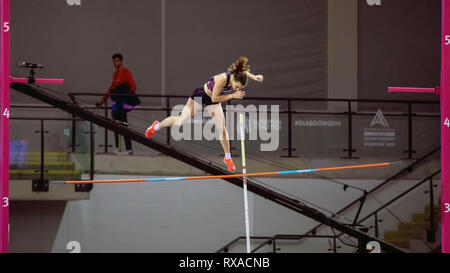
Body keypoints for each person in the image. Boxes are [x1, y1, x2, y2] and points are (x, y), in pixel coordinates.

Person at [145, 56, 264, 172]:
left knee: (222, 129)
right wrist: (232, 95)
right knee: (180, 121)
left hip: (214, 100)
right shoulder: (222, 79)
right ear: (234, 79)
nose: (237, 89)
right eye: (237, 87)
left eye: (240, 88)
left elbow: (243, 71)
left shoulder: (238, 75)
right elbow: (214, 98)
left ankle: (227, 157)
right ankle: (156, 126)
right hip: (201, 96)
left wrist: (254, 77)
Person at [96, 53, 138, 155]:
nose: (116, 63)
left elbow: (133, 86)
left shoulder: (126, 72)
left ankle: (128, 148)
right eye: (114, 61)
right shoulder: (115, 75)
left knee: (124, 125)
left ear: (121, 61)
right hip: (115, 102)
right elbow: (111, 89)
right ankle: (118, 147)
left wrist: (124, 96)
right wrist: (103, 100)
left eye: (117, 61)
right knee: (115, 125)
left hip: (122, 103)